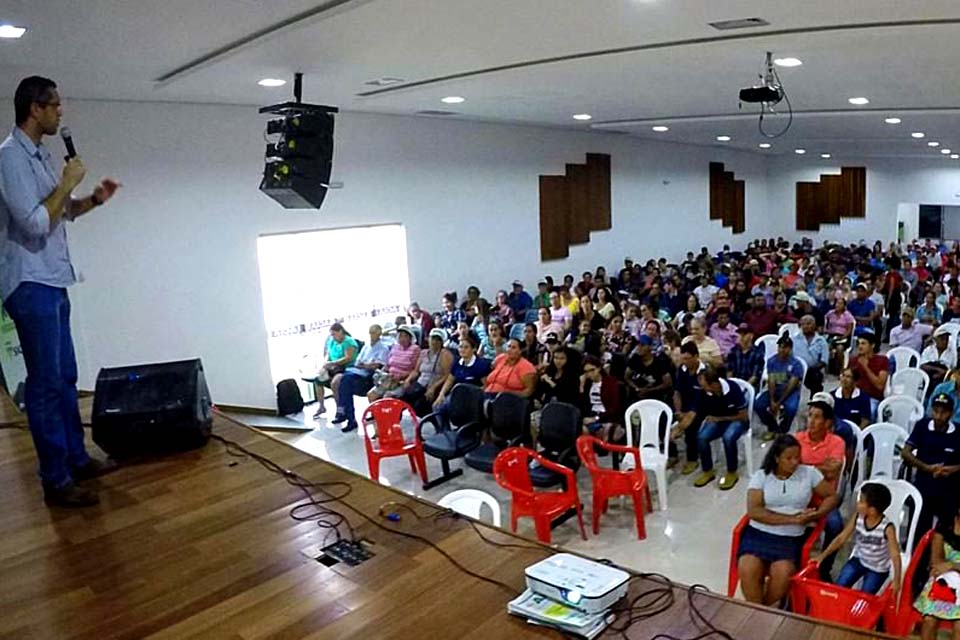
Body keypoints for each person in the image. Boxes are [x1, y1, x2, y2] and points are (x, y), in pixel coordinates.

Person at [0, 76, 121, 507]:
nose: (60, 112)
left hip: (53, 278)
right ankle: (55, 478)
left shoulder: (41, 156)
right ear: (35, 108)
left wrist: (94, 199)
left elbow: (60, 212)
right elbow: (33, 223)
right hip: (29, 282)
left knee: (65, 376)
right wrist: (67, 181)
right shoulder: (10, 158)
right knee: (46, 383)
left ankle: (75, 457)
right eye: (55, 105)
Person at [737, 434, 839, 606]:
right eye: (789, 458)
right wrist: (791, 519)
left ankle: (764, 608)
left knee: (783, 572)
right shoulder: (761, 476)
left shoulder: (809, 473)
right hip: (758, 533)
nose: (795, 462)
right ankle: (757, 610)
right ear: (777, 458)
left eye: (797, 457)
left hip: (790, 538)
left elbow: (832, 496)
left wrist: (816, 514)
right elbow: (754, 511)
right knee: (747, 567)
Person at [813, 483, 901, 597]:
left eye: (861, 501)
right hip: (859, 560)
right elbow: (841, 538)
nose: (857, 503)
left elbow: (895, 555)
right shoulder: (857, 517)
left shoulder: (887, 528)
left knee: (865, 597)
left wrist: (897, 579)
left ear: (872, 510)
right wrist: (822, 556)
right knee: (839, 587)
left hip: (877, 569)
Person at [795, 399, 848, 579]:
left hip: (824, 499)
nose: (811, 420)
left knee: (835, 526)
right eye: (810, 416)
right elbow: (788, 467)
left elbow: (833, 471)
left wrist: (803, 465)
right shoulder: (797, 439)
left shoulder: (836, 442)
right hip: (798, 496)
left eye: (817, 417)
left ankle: (824, 567)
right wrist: (820, 467)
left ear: (827, 423)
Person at [902, 393, 960, 541]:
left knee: (946, 526)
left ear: (951, 413)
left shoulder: (958, 432)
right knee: (918, 527)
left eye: (944, 412)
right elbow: (906, 452)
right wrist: (926, 467)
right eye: (936, 411)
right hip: (925, 480)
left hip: (949, 485)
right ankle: (915, 551)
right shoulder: (922, 426)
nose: (939, 416)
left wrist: (952, 469)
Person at [693, 367, 749, 490]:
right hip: (717, 419)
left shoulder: (733, 388)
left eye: (705, 385)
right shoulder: (705, 393)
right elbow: (699, 411)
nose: (702, 388)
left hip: (736, 420)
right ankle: (707, 470)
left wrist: (720, 419)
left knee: (728, 437)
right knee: (701, 437)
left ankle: (732, 471)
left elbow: (743, 416)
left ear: (714, 384)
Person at [913, 505, 960, 640]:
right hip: (941, 582)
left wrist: (952, 565)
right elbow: (936, 562)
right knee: (929, 621)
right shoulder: (945, 526)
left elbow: (945, 565)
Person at [332, 325, 390, 433]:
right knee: (343, 381)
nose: (372, 336)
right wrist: (363, 365)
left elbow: (377, 365)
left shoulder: (383, 348)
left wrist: (365, 365)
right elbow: (357, 362)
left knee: (345, 381)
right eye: (370, 333)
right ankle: (347, 415)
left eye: (374, 333)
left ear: (379, 334)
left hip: (369, 377)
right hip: (358, 372)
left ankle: (346, 415)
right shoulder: (366, 346)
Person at [755, 335, 804, 440]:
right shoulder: (772, 361)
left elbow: (791, 385)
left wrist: (778, 403)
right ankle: (773, 427)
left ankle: (783, 430)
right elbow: (771, 380)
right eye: (780, 347)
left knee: (791, 409)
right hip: (775, 390)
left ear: (790, 349)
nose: (782, 349)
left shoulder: (796, 364)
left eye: (785, 347)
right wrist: (772, 400)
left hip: (790, 392)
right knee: (758, 405)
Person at [398, 328, 452, 416]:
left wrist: (433, 387)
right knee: (401, 400)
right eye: (432, 338)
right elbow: (416, 371)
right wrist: (408, 379)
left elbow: (447, 376)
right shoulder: (423, 353)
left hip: (433, 386)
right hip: (419, 385)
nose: (434, 342)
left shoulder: (444, 354)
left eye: (438, 339)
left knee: (419, 407)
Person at [670, 341, 706, 476]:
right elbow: (677, 392)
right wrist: (678, 411)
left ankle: (692, 459)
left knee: (691, 425)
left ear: (696, 356)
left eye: (687, 358)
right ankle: (672, 454)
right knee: (664, 420)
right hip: (684, 405)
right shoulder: (681, 370)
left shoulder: (704, 372)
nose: (684, 362)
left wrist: (684, 421)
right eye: (682, 358)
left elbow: (700, 400)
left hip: (703, 406)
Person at [432, 334, 492, 409]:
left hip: (473, 397)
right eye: (460, 347)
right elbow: (450, 380)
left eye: (466, 347)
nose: (462, 350)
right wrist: (441, 394)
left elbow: (486, 386)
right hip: (457, 394)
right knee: (437, 407)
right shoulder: (457, 362)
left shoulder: (480, 365)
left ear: (473, 349)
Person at [314, 322, 360, 419]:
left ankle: (340, 408)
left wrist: (333, 363)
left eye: (334, 334)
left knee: (335, 383)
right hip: (333, 366)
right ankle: (321, 406)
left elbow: (348, 358)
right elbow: (328, 355)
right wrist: (326, 364)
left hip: (346, 368)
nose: (333, 336)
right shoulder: (332, 341)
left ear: (340, 331)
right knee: (318, 380)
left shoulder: (349, 342)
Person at [368, 325, 421, 402]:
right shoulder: (395, 347)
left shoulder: (415, 349)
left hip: (402, 381)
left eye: (405, 336)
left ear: (410, 338)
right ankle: (376, 414)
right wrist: (383, 373)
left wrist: (401, 376)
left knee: (387, 397)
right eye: (400, 336)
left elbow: (415, 370)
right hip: (389, 379)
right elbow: (387, 364)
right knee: (371, 394)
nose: (403, 339)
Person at [579, 354, 623, 442]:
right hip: (591, 414)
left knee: (605, 429)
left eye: (592, 370)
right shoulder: (587, 384)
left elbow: (614, 407)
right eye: (586, 372)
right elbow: (582, 405)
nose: (590, 374)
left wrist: (596, 418)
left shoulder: (610, 383)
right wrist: (581, 387)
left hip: (605, 416)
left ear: (599, 368)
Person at [849, 329, 889, 417]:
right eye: (858, 343)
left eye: (863, 343)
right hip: (853, 396)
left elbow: (880, 386)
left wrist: (865, 367)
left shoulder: (882, 360)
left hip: (871, 398)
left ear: (872, 345)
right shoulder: (854, 360)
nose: (860, 346)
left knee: (869, 412)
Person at [625, 335, 674, 404]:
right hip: (636, 395)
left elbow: (668, 383)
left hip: (655, 397)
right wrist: (637, 388)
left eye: (642, 345)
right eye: (638, 345)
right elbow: (627, 377)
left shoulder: (659, 363)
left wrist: (649, 390)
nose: (639, 347)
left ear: (650, 347)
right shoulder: (635, 359)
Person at [792, 315, 829, 394]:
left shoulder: (821, 341)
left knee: (816, 377)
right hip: (795, 369)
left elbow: (824, 361)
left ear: (814, 325)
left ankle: (814, 402)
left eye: (809, 324)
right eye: (803, 324)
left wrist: (808, 368)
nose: (806, 326)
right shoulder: (793, 339)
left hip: (812, 370)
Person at [726, 324, 764, 390]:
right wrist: (731, 385)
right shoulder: (733, 351)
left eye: (744, 334)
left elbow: (755, 376)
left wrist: (744, 387)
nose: (741, 337)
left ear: (751, 336)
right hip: (735, 385)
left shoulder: (757, 353)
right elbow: (729, 371)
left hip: (750, 386)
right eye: (740, 334)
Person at [824, 296, 856, 374]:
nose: (837, 305)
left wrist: (842, 337)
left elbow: (849, 330)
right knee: (826, 346)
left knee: (840, 348)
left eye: (840, 303)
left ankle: (840, 369)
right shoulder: (830, 313)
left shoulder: (847, 315)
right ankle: (827, 368)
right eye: (837, 303)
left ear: (844, 306)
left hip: (843, 336)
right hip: (831, 335)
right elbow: (826, 323)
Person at [921, 326, 957, 390]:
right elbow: (922, 365)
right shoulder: (929, 350)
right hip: (928, 376)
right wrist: (937, 370)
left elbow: (954, 368)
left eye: (947, 339)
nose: (945, 342)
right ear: (935, 340)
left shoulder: (952, 352)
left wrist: (943, 372)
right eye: (942, 339)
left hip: (945, 377)